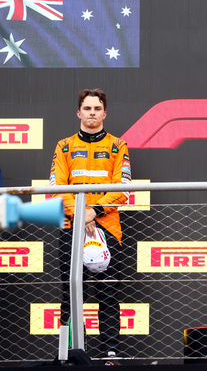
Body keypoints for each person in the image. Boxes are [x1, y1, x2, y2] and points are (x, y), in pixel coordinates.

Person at [50, 89, 131, 363]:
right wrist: (80, 215)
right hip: (71, 226)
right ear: (79, 113)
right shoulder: (64, 146)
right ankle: (71, 354)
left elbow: (124, 189)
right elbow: (56, 189)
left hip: (107, 228)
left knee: (107, 294)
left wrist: (93, 212)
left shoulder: (118, 145)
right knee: (70, 295)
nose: (92, 113)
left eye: (97, 108)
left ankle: (110, 355)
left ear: (104, 113)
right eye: (87, 108)